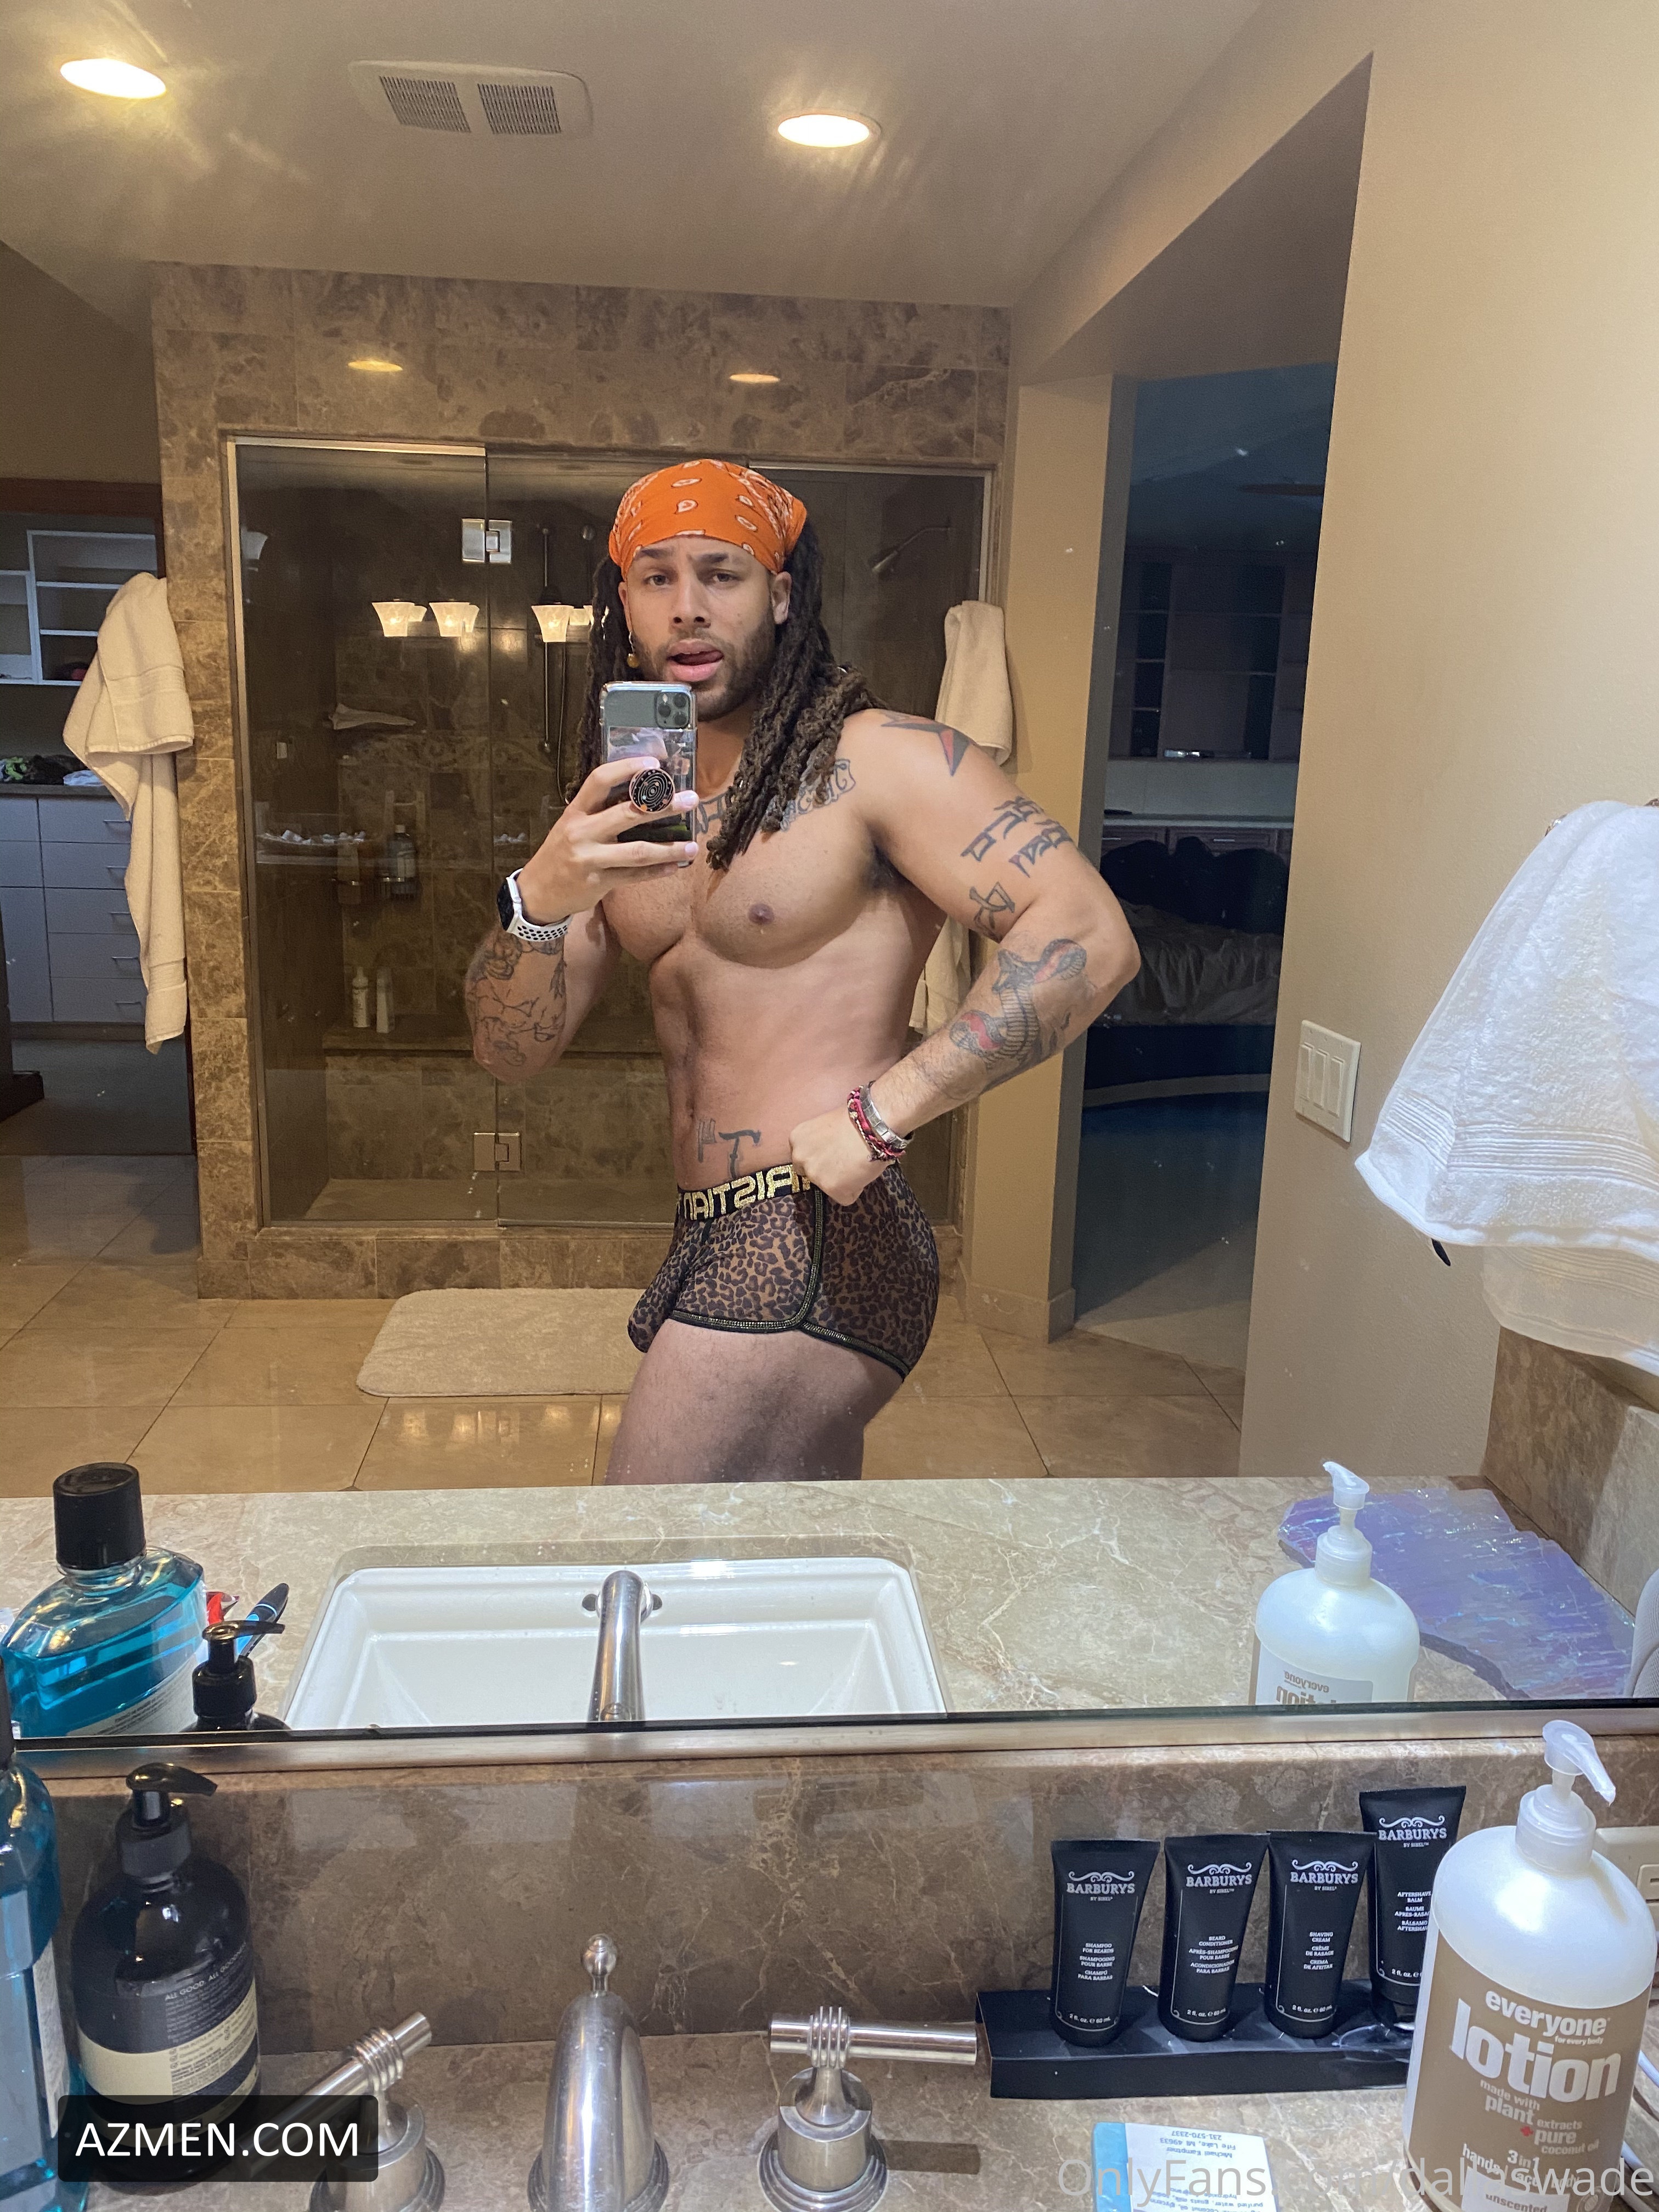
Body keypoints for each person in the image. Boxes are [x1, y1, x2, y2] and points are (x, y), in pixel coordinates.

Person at [465, 459, 1138, 1482]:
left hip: (823, 1221)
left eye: (721, 574)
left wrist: (885, 1113)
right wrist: (540, 899)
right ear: (625, 607)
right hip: (706, 1227)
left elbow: (1090, 936)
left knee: (644, 1539)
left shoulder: (881, 760)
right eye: (657, 577)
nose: (688, 607)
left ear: (780, 596)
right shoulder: (630, 802)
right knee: (776, 1556)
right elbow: (510, 1055)